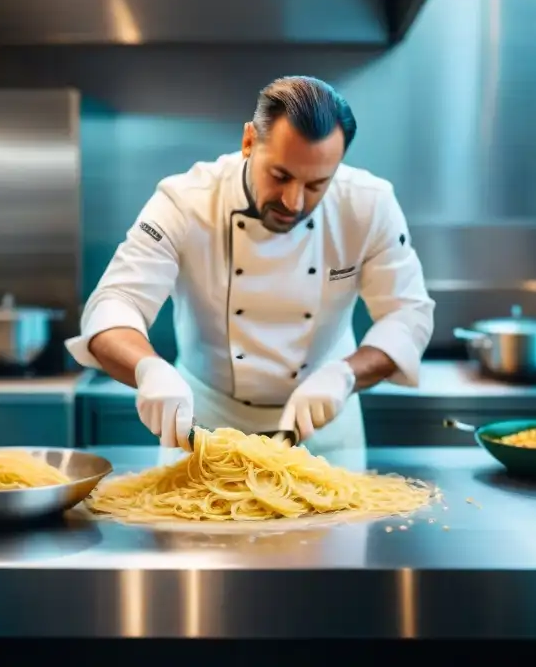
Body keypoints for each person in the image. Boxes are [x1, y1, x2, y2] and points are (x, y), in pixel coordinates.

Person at [66, 76, 435, 455]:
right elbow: (115, 301)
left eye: (316, 185)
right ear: (248, 141)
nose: (293, 202)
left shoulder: (368, 204)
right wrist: (149, 369)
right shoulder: (186, 201)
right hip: (202, 429)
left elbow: (407, 315)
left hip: (322, 430)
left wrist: (344, 374)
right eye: (280, 176)